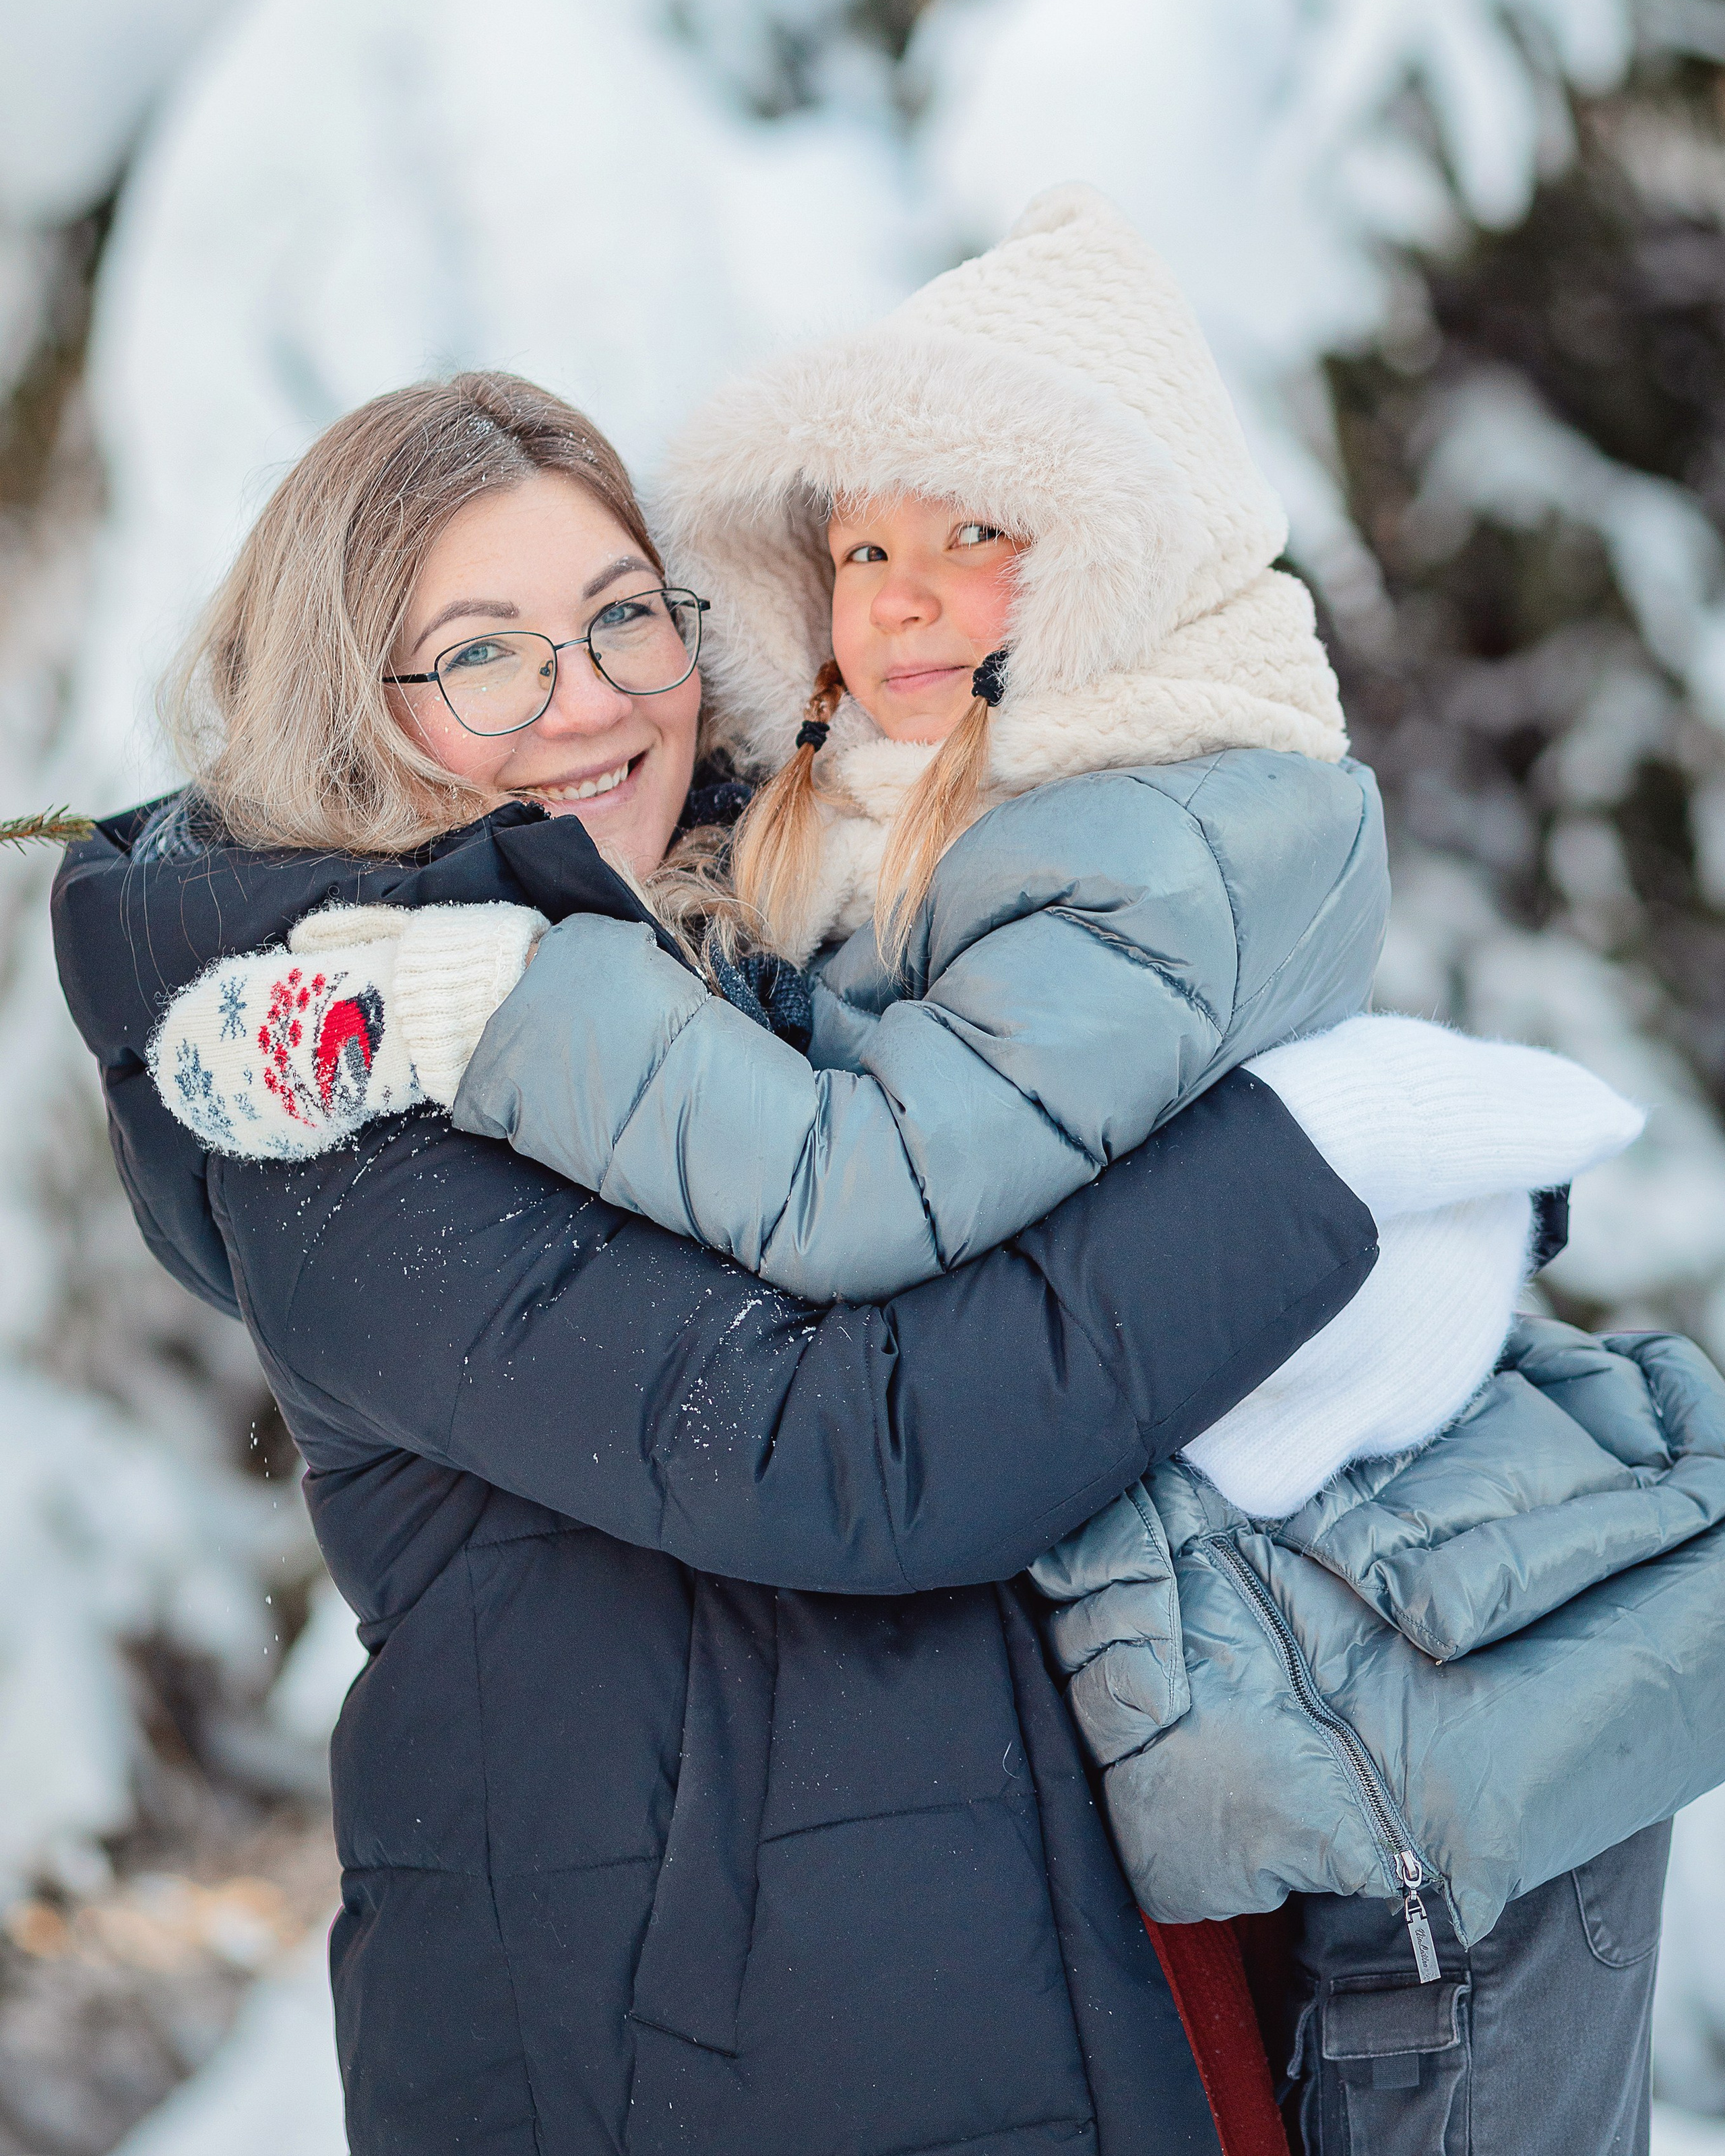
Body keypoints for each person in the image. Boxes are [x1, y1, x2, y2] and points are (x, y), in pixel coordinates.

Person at [54, 361, 1426, 2156]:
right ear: (351, 710)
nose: (592, 696)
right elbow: (845, 1454)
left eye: (626, 614)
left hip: (1005, 1980)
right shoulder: (344, 1091)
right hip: (668, 2058)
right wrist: (1326, 1160)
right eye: (487, 651)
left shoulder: (754, 954)